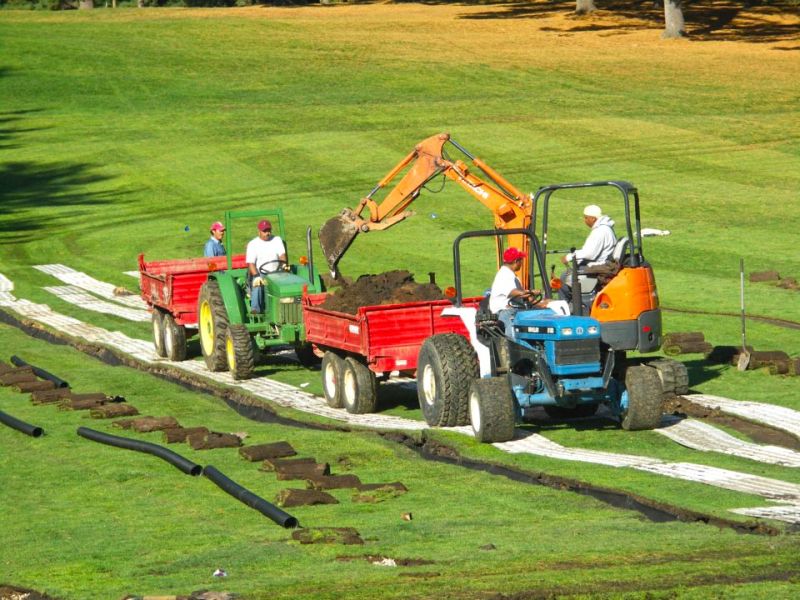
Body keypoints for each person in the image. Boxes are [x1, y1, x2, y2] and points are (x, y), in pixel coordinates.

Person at [558, 204, 616, 303]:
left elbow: (589, 254)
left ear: (593, 218)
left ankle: (566, 307)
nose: (584, 220)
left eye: (586, 218)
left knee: (563, 279)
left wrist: (569, 257)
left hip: (596, 267)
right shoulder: (604, 229)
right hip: (601, 263)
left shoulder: (600, 232)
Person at [489, 247, 543, 339]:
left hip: (515, 308)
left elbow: (524, 296)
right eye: (521, 260)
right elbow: (514, 292)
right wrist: (531, 292)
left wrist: (542, 304)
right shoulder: (504, 275)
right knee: (515, 334)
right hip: (504, 311)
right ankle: (515, 346)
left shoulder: (511, 275)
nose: (521, 263)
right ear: (516, 261)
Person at [246, 219, 287, 314]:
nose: (267, 233)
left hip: (277, 272)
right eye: (264, 231)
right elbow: (251, 264)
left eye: (268, 231)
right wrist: (256, 276)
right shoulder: (253, 244)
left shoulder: (277, 240)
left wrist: (284, 265)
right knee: (258, 284)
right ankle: (255, 310)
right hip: (261, 273)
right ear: (259, 232)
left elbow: (282, 256)